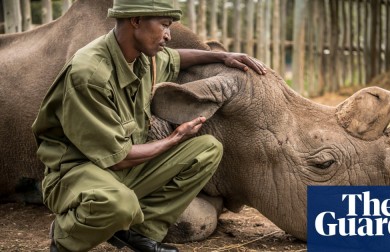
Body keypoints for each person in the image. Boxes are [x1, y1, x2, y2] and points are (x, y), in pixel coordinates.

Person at [32, 0, 266, 251]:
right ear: (136, 20)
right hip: (76, 172)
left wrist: (223, 56)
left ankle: (139, 232)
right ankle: (66, 234)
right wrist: (174, 138)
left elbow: (175, 58)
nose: (168, 34)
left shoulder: (142, 58)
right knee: (120, 204)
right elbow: (117, 159)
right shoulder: (90, 75)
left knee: (207, 150)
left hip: (120, 167)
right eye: (164, 25)